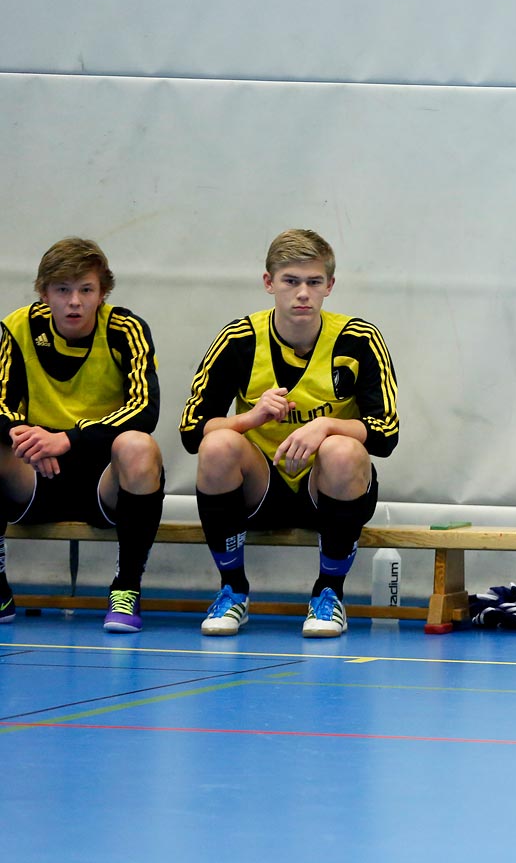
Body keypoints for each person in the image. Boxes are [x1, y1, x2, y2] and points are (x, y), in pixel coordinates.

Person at [180, 229, 398, 638]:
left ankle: (329, 594)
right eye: (291, 281)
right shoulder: (239, 340)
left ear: (329, 286)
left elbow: (386, 434)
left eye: (314, 282)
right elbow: (192, 430)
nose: (303, 293)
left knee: (343, 450)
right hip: (260, 489)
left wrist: (327, 425)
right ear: (269, 283)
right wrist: (250, 419)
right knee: (218, 444)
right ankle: (233, 590)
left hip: (328, 489)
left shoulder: (359, 339)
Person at [0, 238, 163, 633]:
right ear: (44, 293)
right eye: (62, 289)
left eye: (86, 290)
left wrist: (70, 438)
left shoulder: (127, 329)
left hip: (101, 479)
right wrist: (26, 438)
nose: (75, 301)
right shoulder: (17, 327)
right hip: (34, 471)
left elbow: (145, 408)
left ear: (102, 292)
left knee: (140, 446)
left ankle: (127, 588)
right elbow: (1, 402)